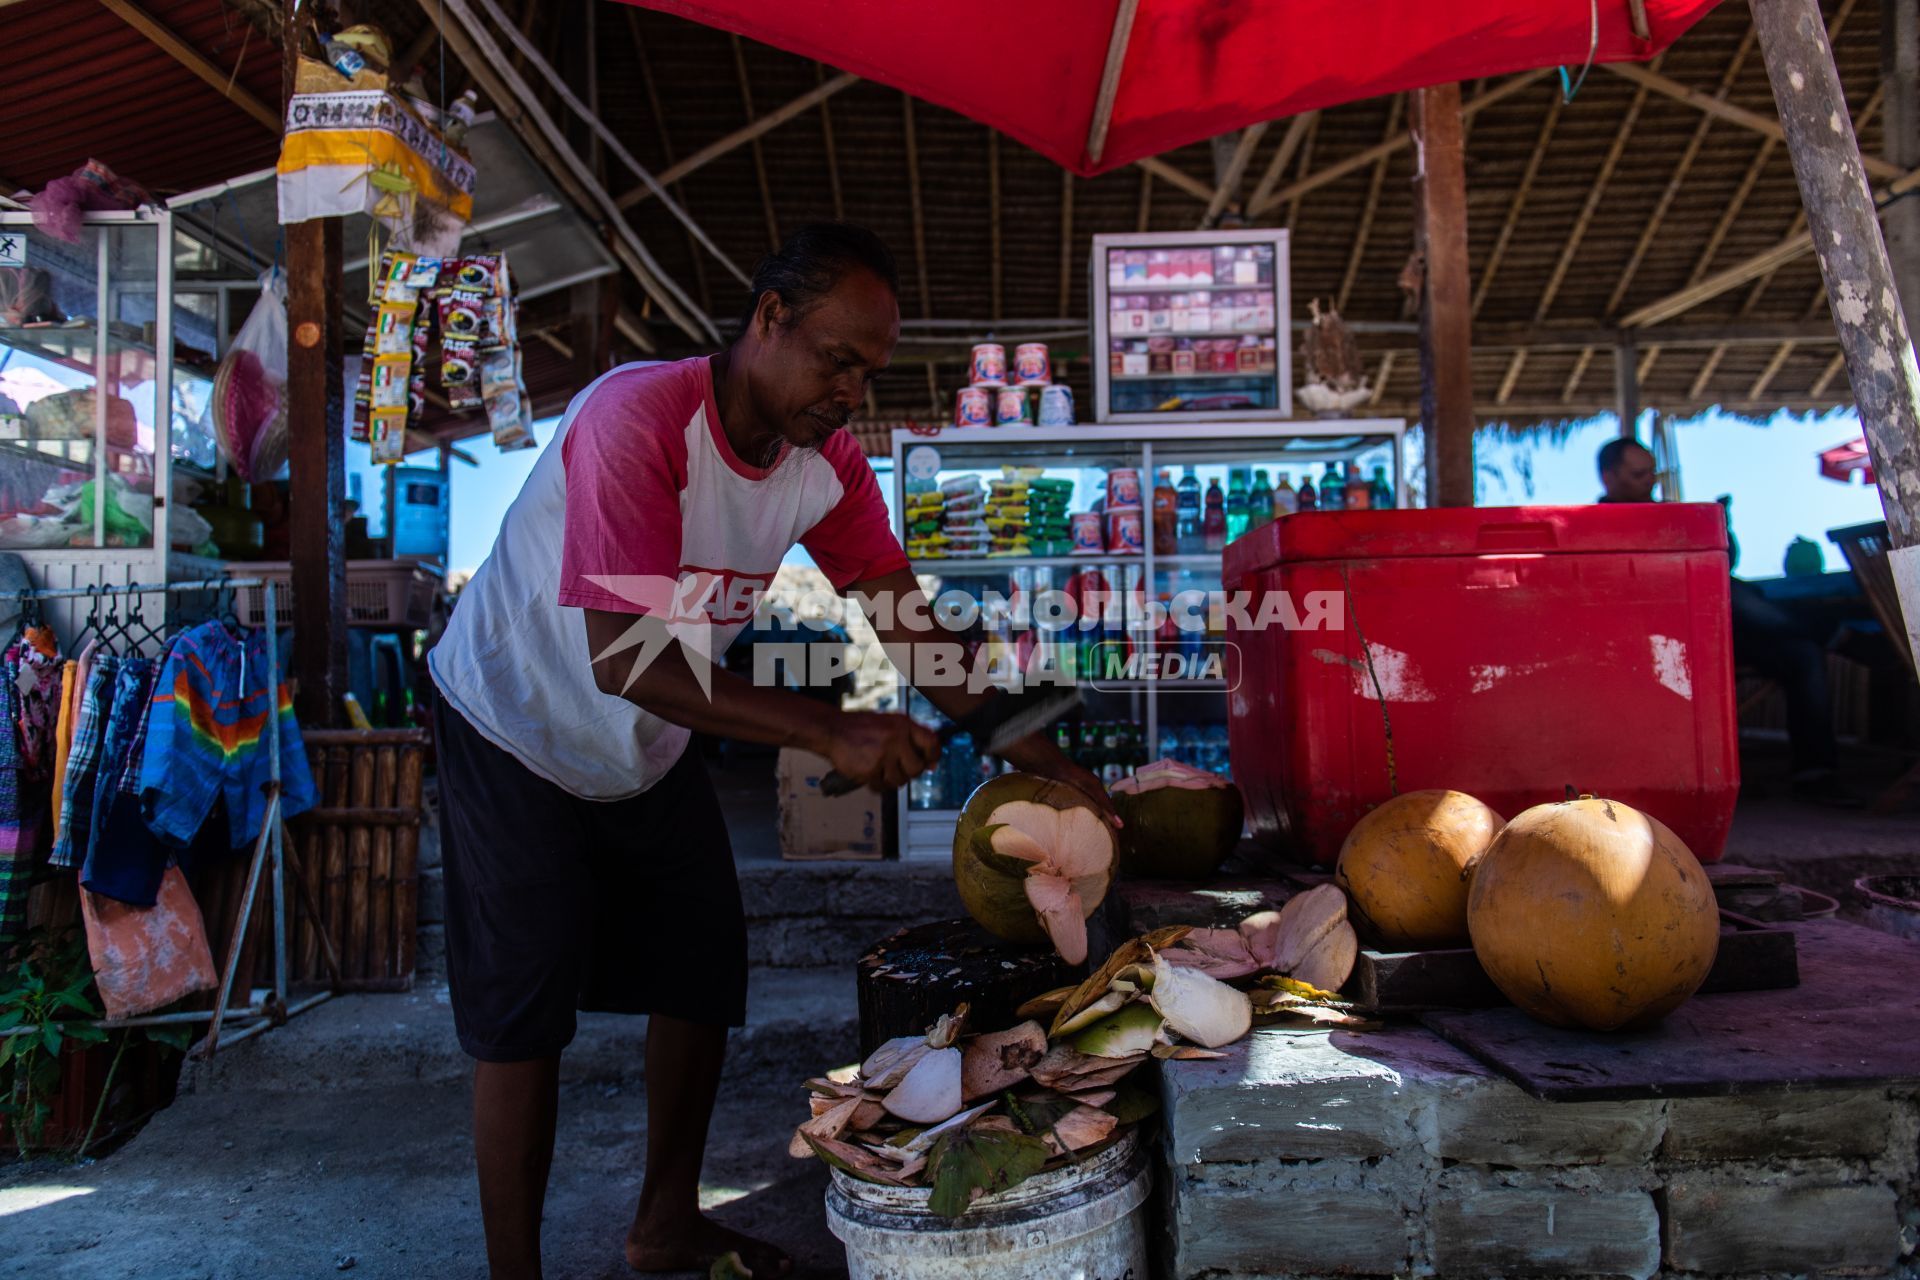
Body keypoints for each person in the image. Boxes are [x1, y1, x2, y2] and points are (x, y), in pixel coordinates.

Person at [427, 223, 1107, 1279]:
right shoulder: (637, 416)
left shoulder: (826, 464)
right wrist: (827, 726)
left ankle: (666, 1223)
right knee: (523, 1012)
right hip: (512, 719)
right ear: (770, 318)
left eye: (869, 372)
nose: (850, 390)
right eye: (836, 357)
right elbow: (626, 655)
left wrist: (1033, 748)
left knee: (701, 966)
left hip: (643, 748)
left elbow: (908, 622)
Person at [1595, 438, 1850, 804]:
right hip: (1656, 642)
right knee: (1732, 591)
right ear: (1609, 476)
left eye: (1652, 473)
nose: (1649, 481)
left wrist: (1719, 528)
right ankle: (1834, 632)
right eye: (1638, 474)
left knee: (1802, 653)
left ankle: (1816, 773)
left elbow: (1723, 562)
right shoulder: (1596, 525)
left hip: (1713, 633)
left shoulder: (1671, 514)